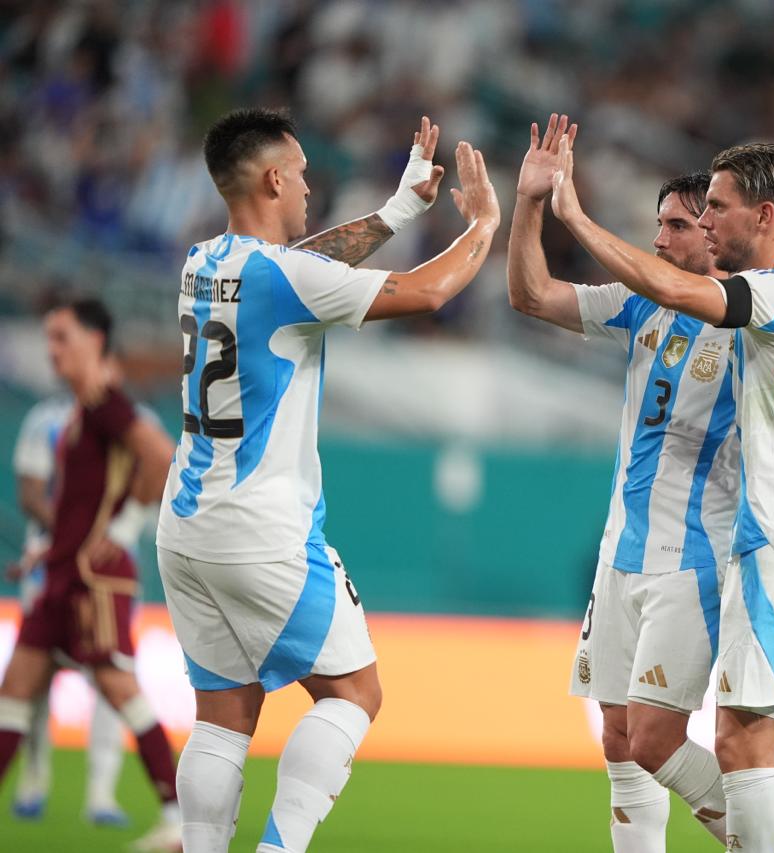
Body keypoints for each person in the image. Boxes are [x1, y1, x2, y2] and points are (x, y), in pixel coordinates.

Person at [510, 116, 774, 853]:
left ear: (747, 222)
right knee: (631, 738)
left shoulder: (755, 304)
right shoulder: (654, 307)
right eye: (676, 219)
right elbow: (531, 296)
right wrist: (529, 205)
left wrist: (574, 213)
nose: (681, 230)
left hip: (709, 552)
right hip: (628, 549)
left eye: (696, 216)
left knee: (720, 742)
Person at [153, 107, 499, 853]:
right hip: (261, 529)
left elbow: (304, 267)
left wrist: (400, 208)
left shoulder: (203, 262)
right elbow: (428, 292)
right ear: (274, 177)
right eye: (303, 172)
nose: (310, 185)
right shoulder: (281, 277)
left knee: (223, 715)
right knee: (354, 692)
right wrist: (484, 227)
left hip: (185, 526)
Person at [0, 298, 182, 852]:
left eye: (62, 338)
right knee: (15, 692)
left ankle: (181, 818)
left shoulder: (105, 401)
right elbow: (78, 503)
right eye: (50, 338)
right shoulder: (81, 408)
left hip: (93, 579)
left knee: (119, 687)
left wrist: (125, 528)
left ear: (95, 341)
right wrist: (45, 552)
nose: (52, 350)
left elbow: (160, 454)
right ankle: (179, 818)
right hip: (61, 573)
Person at [9, 390, 160, 826]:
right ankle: (33, 781)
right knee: (32, 679)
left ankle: (101, 795)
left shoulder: (137, 417)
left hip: (104, 574)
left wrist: (116, 529)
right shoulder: (46, 417)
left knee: (112, 682)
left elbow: (155, 475)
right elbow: (30, 491)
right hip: (52, 570)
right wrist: (70, 538)